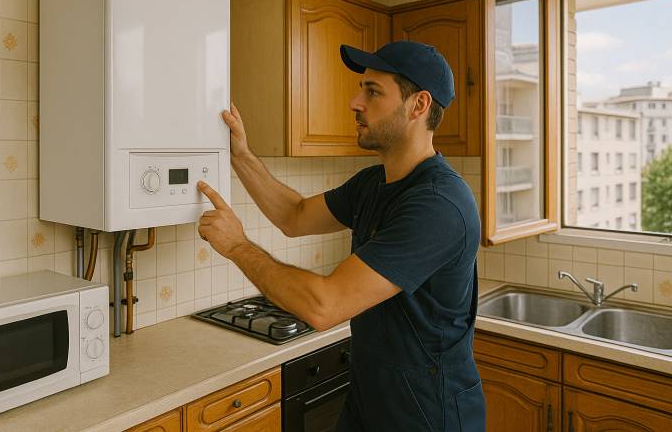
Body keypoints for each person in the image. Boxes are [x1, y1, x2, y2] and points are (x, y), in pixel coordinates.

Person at [196, 40, 485, 432]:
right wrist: (241, 156)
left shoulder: (439, 205)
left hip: (427, 415)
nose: (355, 102)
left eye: (372, 91)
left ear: (418, 105)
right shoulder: (374, 182)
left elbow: (325, 305)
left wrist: (237, 247)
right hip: (370, 402)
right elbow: (294, 216)